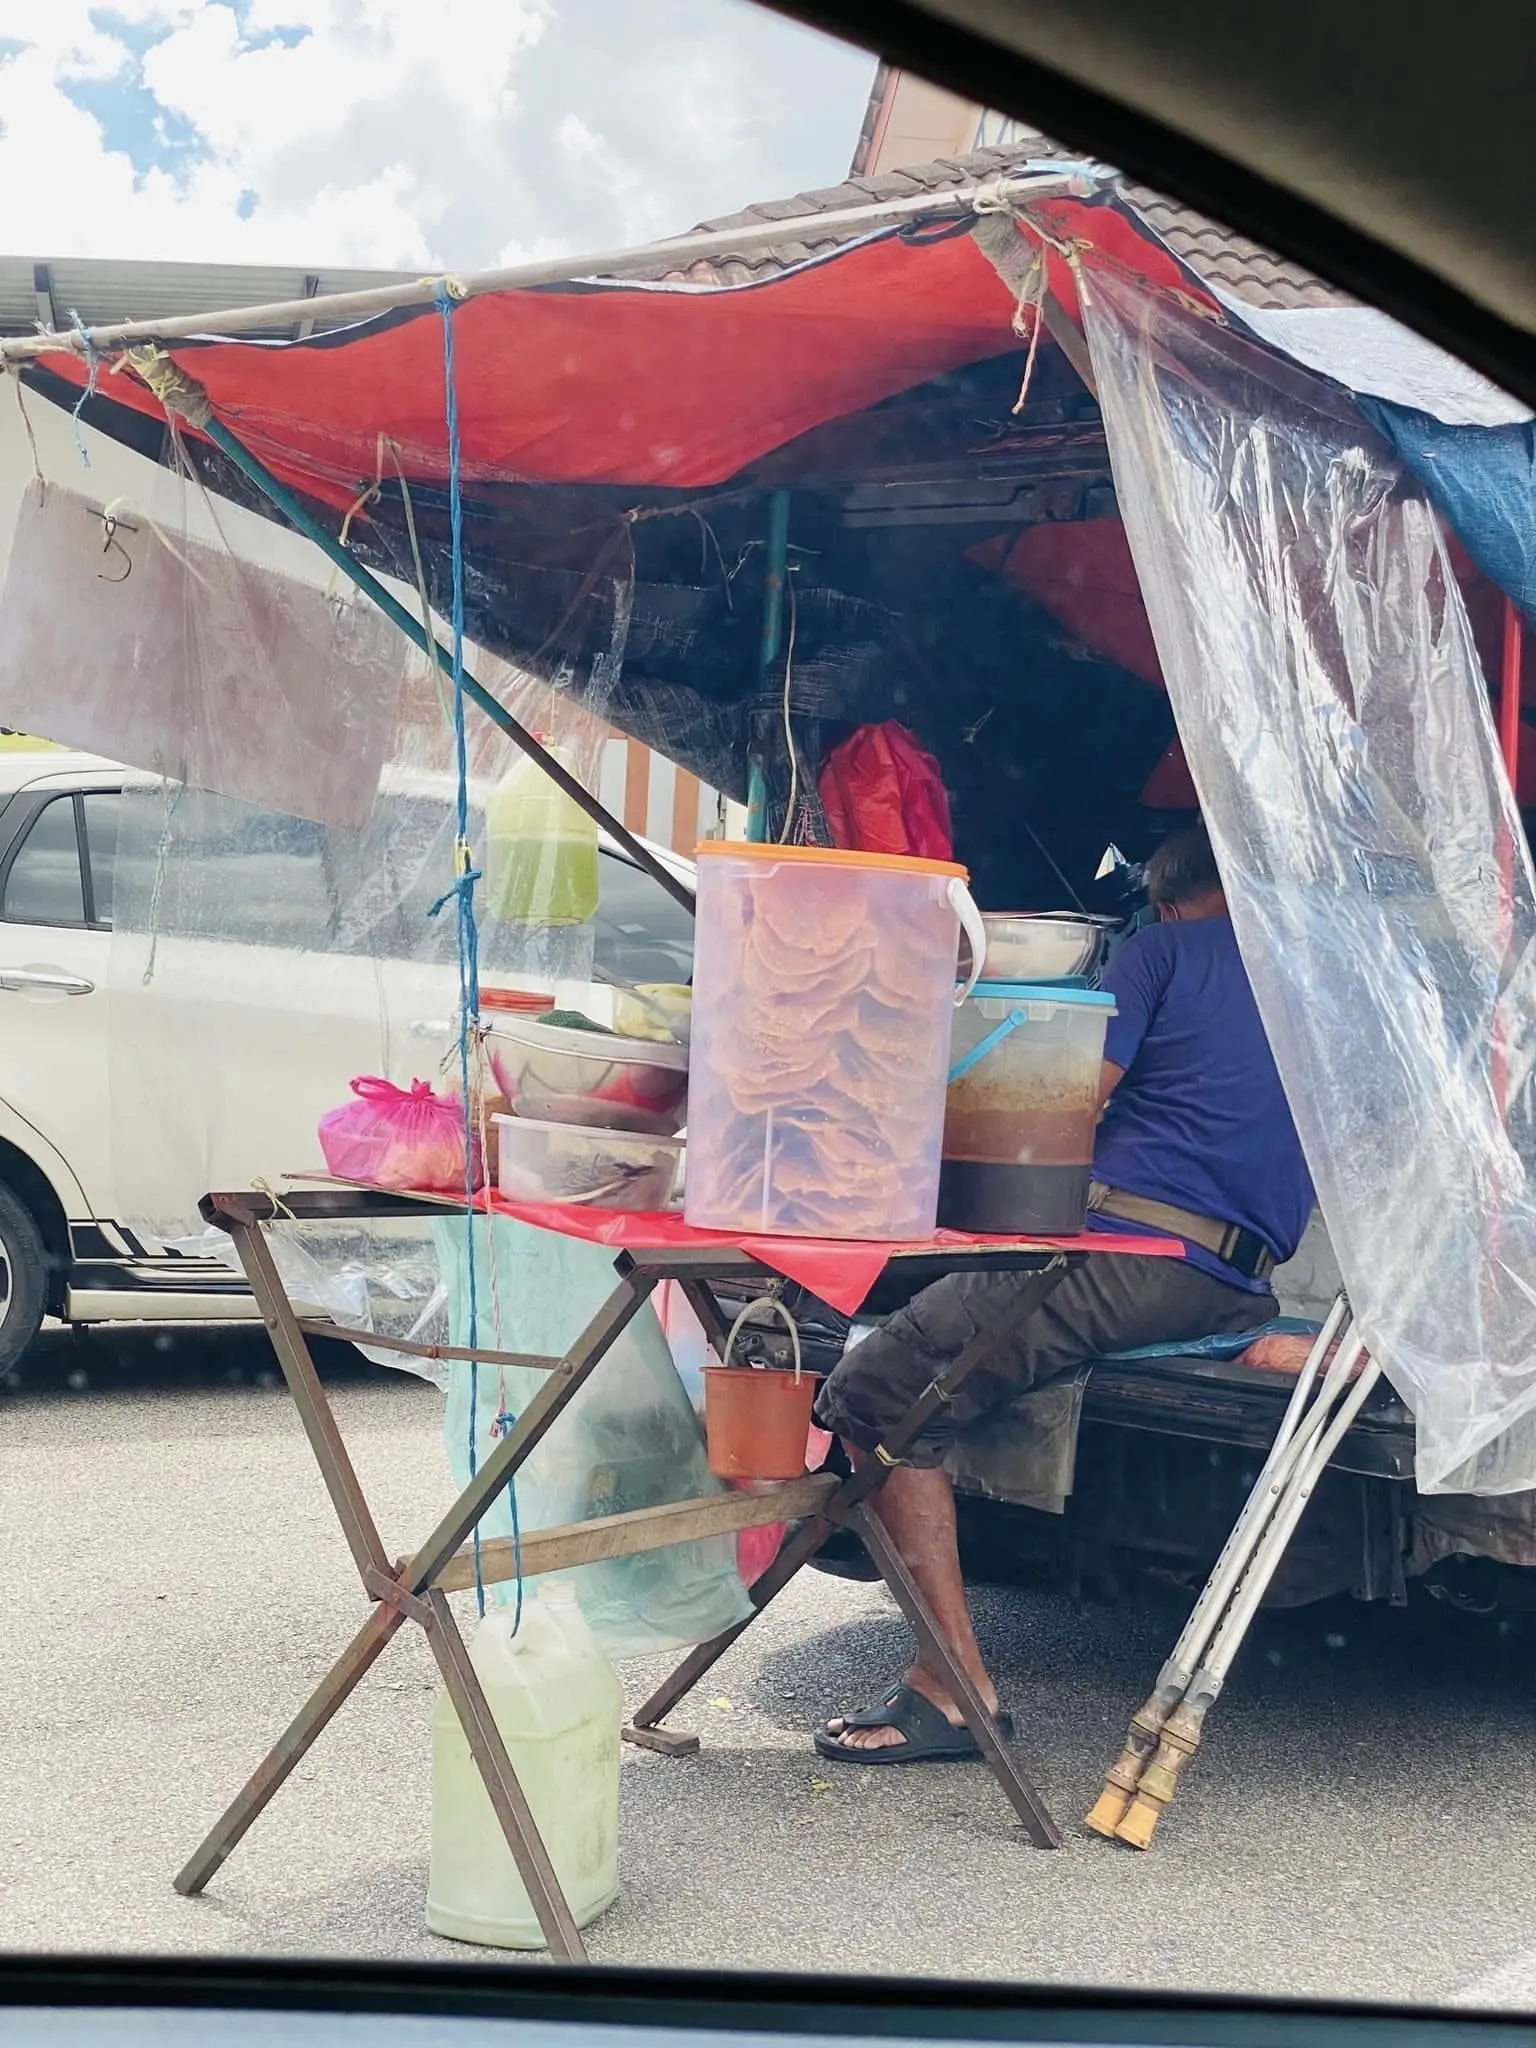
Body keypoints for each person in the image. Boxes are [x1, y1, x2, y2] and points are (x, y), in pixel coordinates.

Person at [811, 820, 1315, 1764]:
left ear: (1168, 901)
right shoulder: (1315, 987)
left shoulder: (1160, 952)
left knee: (877, 1390)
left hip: (1142, 1260)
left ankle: (950, 1690)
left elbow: (1060, 1102)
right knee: (938, 1325)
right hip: (1236, 1283)